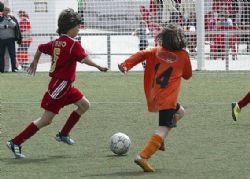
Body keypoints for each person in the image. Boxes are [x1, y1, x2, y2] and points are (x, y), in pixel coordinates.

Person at [6, 8, 108, 159]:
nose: (79, 28)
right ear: (71, 26)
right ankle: (15, 142)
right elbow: (84, 58)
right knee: (46, 119)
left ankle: (63, 134)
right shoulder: (73, 44)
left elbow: (40, 48)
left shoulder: (57, 42)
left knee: (84, 105)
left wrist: (34, 62)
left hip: (64, 85)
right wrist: (98, 66)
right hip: (60, 86)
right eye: (78, 26)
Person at [118, 23, 192, 172]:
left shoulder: (156, 51)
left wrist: (126, 64)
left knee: (181, 112)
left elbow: (142, 54)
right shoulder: (183, 55)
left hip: (156, 94)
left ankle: (159, 141)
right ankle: (143, 156)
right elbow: (188, 75)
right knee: (163, 129)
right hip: (167, 100)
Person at [0, 7, 21, 73]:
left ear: (9, 11)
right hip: (1, 39)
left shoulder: (12, 18)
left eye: (7, 10)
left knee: (12, 54)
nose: (6, 11)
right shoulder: (0, 18)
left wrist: (9, 20)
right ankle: (1, 69)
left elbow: (14, 25)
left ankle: (14, 68)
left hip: (10, 40)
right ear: (3, 11)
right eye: (5, 10)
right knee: (1, 54)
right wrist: (5, 26)